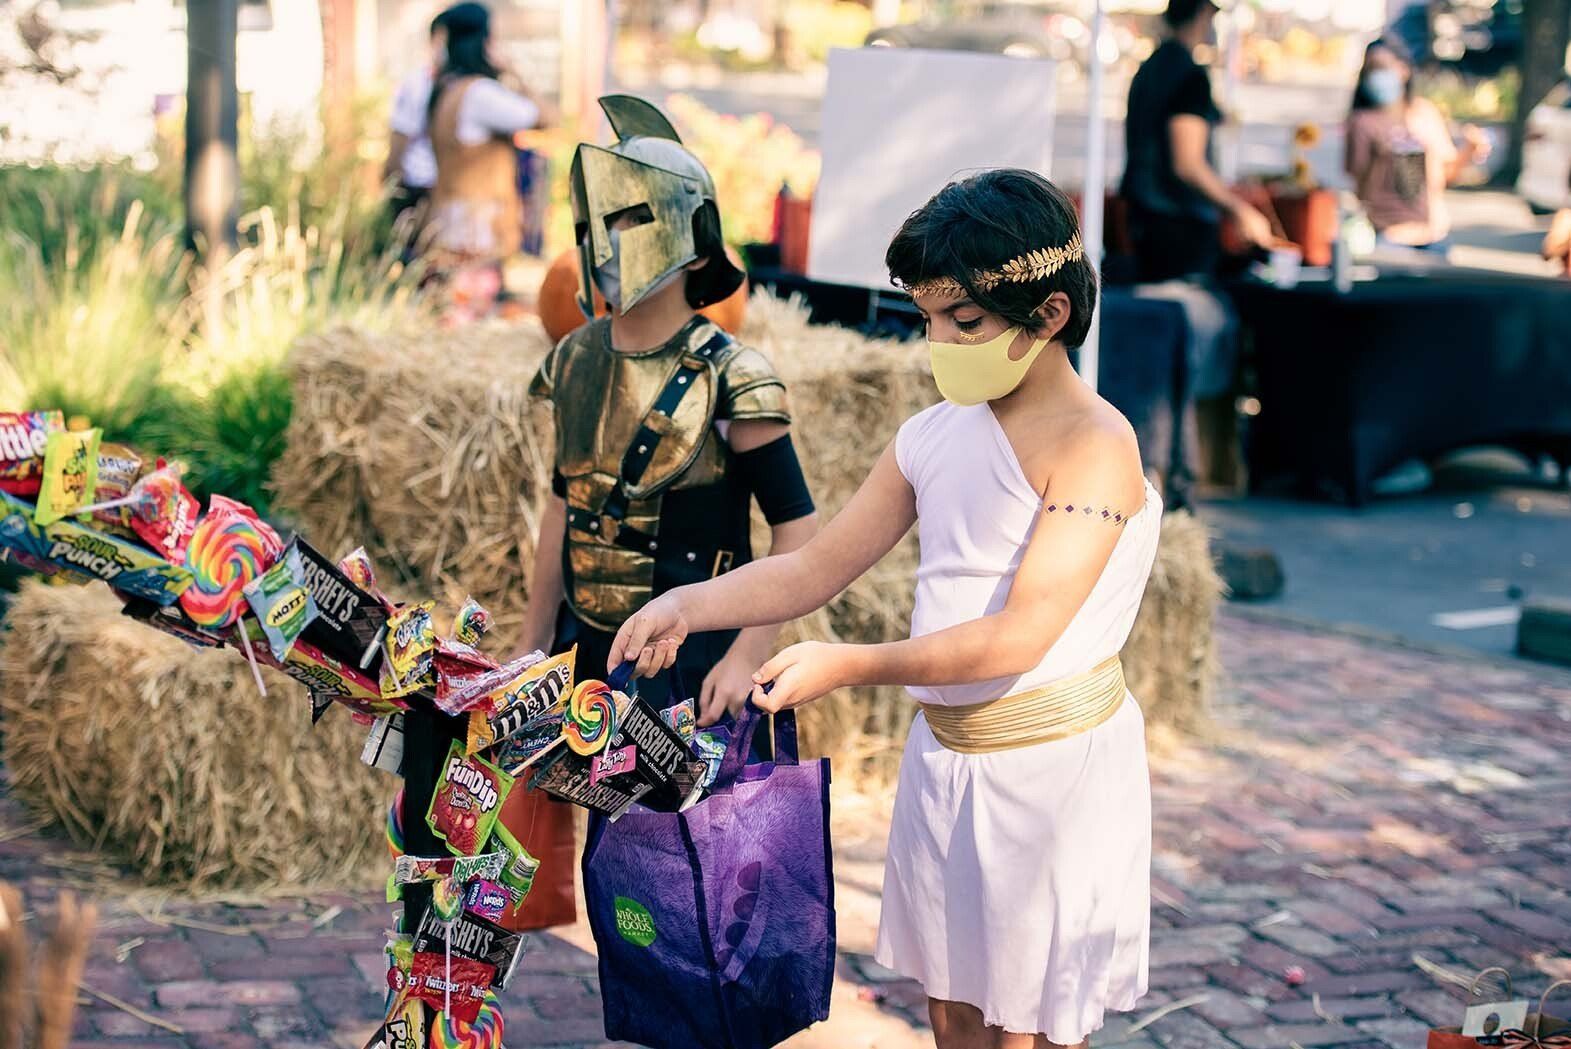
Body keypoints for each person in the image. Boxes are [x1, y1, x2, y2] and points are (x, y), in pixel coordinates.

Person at [613, 169, 1160, 1049]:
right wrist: (689, 601)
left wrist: (853, 663)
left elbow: (1020, 634)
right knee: (953, 1013)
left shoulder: (1096, 446)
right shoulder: (935, 434)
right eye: (929, 319)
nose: (939, 341)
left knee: (1030, 1026)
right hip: (947, 766)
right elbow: (817, 565)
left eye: (965, 323)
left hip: (1049, 778)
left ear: (1048, 314)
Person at [520, 94, 819, 723]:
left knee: (669, 824)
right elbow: (561, 506)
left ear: (697, 246)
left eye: (632, 219)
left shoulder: (734, 376)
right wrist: (532, 645)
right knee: (583, 821)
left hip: (692, 659)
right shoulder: (574, 358)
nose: (608, 241)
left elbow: (797, 529)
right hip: (584, 647)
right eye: (599, 220)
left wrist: (745, 655)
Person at [1122, 0, 1274, 282]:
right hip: (1177, 222)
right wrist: (1239, 210)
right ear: (1203, 13)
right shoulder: (1188, 75)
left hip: (1145, 216)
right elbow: (1187, 164)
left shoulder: (1151, 67)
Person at [423, 2, 544, 278]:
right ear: (484, 43)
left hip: (448, 222)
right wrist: (513, 71)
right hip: (479, 231)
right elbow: (543, 116)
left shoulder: (445, 89)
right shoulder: (481, 94)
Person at [1345, 35, 1490, 254]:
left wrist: (1470, 149)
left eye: (1383, 68)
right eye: (1371, 70)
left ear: (1404, 70)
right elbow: (1358, 180)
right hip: (1389, 237)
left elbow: (1445, 173)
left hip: (1435, 236)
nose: (1377, 77)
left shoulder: (1424, 113)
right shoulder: (1363, 122)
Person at [383, 8, 450, 234]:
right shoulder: (416, 85)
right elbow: (398, 140)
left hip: (451, 192)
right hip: (419, 190)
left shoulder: (467, 87)